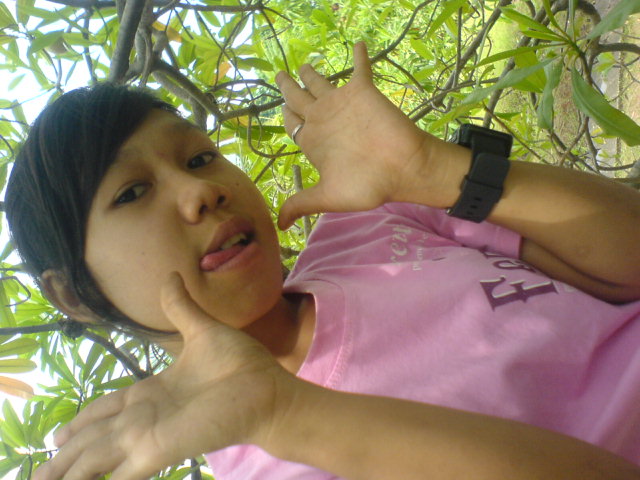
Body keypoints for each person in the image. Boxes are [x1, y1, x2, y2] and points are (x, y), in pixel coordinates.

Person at [6, 42, 640, 480]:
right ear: (75, 296)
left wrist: (432, 169)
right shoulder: (270, 458)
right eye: (131, 193)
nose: (201, 191)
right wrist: (286, 414)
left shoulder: (370, 223)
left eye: (199, 158)